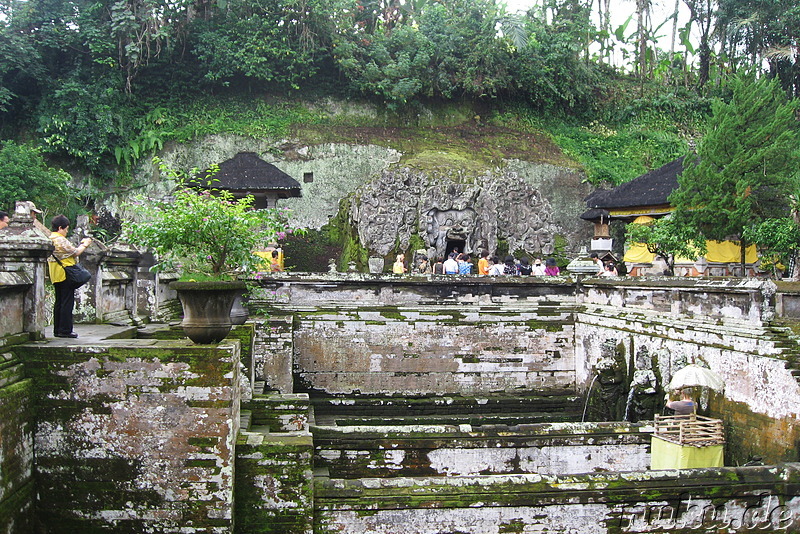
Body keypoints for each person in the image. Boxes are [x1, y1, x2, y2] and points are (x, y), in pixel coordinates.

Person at [47, 215, 92, 339]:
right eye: (66, 229)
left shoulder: (49, 238)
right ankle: (65, 330)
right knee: (67, 302)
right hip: (65, 274)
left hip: (55, 274)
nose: (66, 232)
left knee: (59, 302)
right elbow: (75, 252)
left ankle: (58, 329)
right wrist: (85, 244)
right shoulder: (59, 239)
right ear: (60, 228)